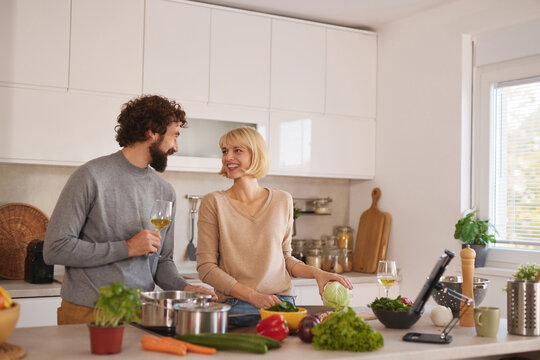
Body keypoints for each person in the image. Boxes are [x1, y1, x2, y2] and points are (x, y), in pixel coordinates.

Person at [44, 94, 216, 325]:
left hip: (140, 314)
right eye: (174, 136)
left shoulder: (165, 191)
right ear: (151, 131)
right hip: (88, 312)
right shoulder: (91, 176)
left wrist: (186, 288)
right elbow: (56, 249)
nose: (176, 146)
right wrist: (127, 247)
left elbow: (162, 261)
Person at [196, 126, 353, 327]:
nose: (228, 157)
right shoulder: (214, 202)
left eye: (237, 150)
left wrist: (317, 273)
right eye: (225, 151)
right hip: (238, 306)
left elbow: (285, 258)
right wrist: (253, 296)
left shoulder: (283, 200)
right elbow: (206, 268)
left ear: (257, 154)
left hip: (283, 303)